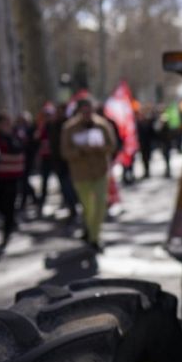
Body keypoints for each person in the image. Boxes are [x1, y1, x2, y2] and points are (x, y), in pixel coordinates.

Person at [60, 97, 117, 249]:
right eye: (84, 111)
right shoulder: (69, 128)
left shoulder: (102, 125)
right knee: (88, 207)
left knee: (100, 206)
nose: (87, 113)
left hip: (100, 171)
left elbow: (112, 145)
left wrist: (99, 148)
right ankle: (91, 232)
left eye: (89, 110)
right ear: (79, 111)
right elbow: (65, 152)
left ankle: (94, 237)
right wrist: (80, 150)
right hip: (81, 174)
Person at [0, 113, 26, 246]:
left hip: (13, 177)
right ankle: (10, 220)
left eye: (8, 122)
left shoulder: (16, 136)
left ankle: (7, 230)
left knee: (10, 205)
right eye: (4, 123)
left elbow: (20, 152)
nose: (6, 125)